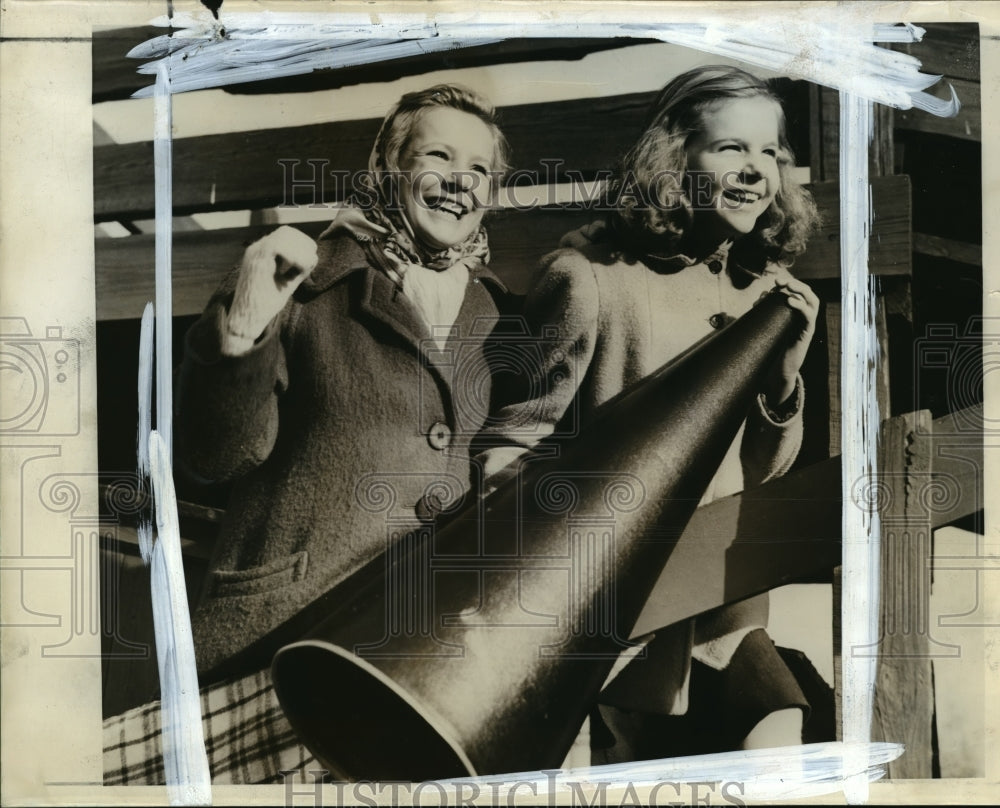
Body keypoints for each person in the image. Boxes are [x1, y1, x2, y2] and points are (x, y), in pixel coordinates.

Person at [104, 83, 512, 784]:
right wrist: (241, 327)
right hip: (285, 639)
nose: (457, 182)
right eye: (437, 156)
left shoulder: (504, 322)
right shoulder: (306, 280)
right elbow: (212, 457)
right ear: (389, 168)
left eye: (478, 169)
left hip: (419, 663)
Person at [478, 65, 822, 760]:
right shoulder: (594, 281)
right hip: (620, 621)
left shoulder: (769, 294)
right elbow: (512, 452)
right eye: (729, 149)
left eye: (768, 152)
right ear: (675, 158)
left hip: (724, 607)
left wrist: (783, 386)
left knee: (781, 751)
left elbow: (762, 474)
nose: (755, 170)